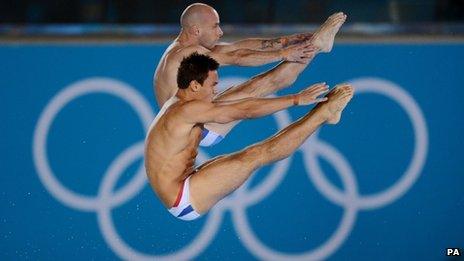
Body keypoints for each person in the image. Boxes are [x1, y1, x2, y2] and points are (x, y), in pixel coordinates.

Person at [145, 53, 354, 221]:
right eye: (213, 85)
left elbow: (237, 90)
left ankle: (323, 111)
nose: (215, 90)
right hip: (183, 196)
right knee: (256, 154)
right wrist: (296, 99)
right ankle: (324, 114)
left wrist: (283, 51)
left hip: (185, 180)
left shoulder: (181, 102)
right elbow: (243, 111)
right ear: (195, 85)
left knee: (247, 126)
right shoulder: (185, 111)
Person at [153, 3, 347, 146]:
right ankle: (318, 46)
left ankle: (317, 46)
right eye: (215, 26)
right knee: (266, 83)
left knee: (259, 84)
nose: (220, 32)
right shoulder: (187, 54)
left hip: (195, 123)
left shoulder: (181, 49)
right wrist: (283, 53)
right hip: (199, 129)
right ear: (196, 30)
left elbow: (237, 46)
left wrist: (285, 41)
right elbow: (238, 56)